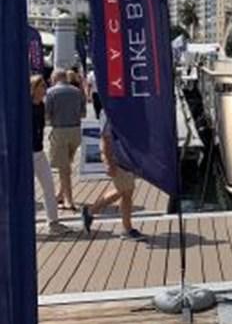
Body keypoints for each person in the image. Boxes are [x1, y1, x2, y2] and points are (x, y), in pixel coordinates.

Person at [81, 112, 146, 241]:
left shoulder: (126, 107)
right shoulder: (109, 111)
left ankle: (89, 212)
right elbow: (105, 137)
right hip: (117, 157)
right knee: (126, 191)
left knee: (124, 190)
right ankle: (127, 229)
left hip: (127, 156)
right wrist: (108, 161)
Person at [30, 75, 70, 235]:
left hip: (39, 152)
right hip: (28, 154)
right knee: (26, 190)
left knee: (48, 186)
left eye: (45, 87)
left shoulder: (41, 106)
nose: (44, 90)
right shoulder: (27, 107)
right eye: (41, 87)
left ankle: (53, 222)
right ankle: (25, 222)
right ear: (33, 89)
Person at [46, 68, 86, 211]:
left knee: (64, 168)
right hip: (76, 131)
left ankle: (69, 200)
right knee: (66, 165)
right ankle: (60, 195)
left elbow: (47, 115)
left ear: (55, 78)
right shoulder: (77, 91)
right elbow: (83, 113)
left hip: (60, 130)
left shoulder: (50, 93)